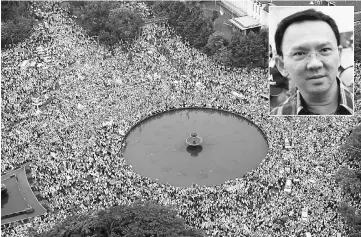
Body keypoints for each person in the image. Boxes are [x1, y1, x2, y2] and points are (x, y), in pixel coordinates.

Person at [271, 9, 353, 115]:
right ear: (282, 65)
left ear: (339, 55)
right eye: (300, 53)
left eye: (325, 50)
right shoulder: (277, 116)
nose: (315, 63)